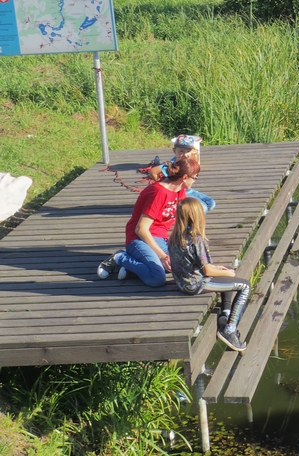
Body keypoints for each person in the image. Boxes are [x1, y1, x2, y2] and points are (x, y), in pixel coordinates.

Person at [98, 158, 201, 287]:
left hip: (160, 238)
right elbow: (141, 229)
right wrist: (163, 256)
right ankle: (120, 258)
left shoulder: (179, 191)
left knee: (184, 266)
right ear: (185, 177)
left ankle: (134, 268)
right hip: (140, 238)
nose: (196, 180)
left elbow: (183, 221)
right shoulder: (159, 193)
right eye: (195, 177)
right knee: (157, 278)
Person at [168, 198, 250, 352]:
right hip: (195, 284)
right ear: (198, 216)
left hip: (181, 282)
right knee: (245, 286)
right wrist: (229, 272)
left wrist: (222, 269)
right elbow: (208, 272)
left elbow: (196, 263)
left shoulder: (175, 237)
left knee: (225, 272)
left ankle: (225, 313)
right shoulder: (196, 239)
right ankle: (230, 330)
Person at [150, 135, 215, 212]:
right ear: (174, 151)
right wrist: (160, 184)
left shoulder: (190, 162)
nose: (185, 154)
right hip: (178, 191)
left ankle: (189, 214)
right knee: (202, 208)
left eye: (188, 151)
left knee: (211, 203)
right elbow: (152, 171)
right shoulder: (172, 164)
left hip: (188, 190)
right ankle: (186, 217)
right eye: (181, 151)